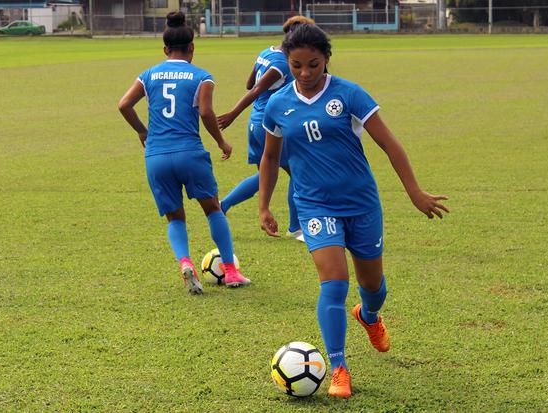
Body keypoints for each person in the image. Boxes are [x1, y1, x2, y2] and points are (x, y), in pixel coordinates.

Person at [258, 24, 449, 398]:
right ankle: (339, 368)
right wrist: (264, 204)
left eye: (313, 64)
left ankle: (370, 315)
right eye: (296, 66)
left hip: (360, 204)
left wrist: (414, 191)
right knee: (333, 282)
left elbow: (389, 143)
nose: (305, 73)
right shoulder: (279, 103)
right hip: (314, 205)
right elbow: (269, 156)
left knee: (373, 289)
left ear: (326, 59)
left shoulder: (348, 95)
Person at [118, 11, 251, 294]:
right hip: (189, 152)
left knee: (175, 217)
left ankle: (185, 262)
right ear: (192, 47)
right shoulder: (202, 76)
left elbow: (124, 104)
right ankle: (230, 271)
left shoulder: (148, 75)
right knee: (213, 208)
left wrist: (143, 132)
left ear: (165, 49)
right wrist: (221, 142)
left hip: (156, 156)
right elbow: (205, 111)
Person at [216, 16, 315, 242]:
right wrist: (232, 114)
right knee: (297, 172)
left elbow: (250, 82)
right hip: (271, 125)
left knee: (265, 174)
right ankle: (296, 228)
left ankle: (224, 204)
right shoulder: (281, 63)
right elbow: (255, 90)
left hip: (256, 123)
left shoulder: (267, 52)